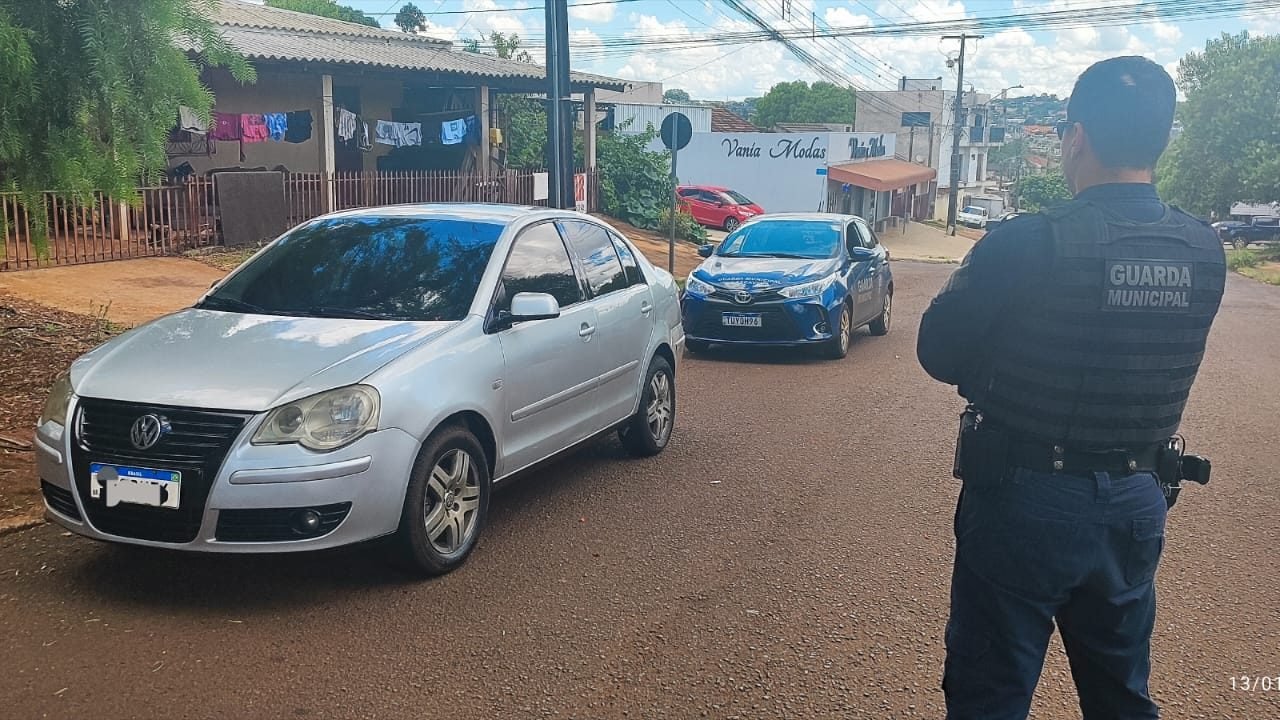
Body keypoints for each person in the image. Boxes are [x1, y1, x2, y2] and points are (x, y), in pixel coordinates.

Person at [917, 56, 1226, 719]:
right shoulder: (1203, 250)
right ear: (1161, 140)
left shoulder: (1029, 241)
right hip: (1138, 500)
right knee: (1121, 696)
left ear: (1076, 137)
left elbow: (937, 351)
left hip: (1024, 499)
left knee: (989, 698)